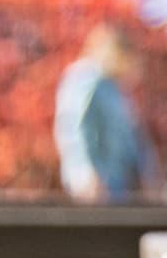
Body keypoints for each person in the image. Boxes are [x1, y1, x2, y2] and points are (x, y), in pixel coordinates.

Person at [53, 25, 156, 202]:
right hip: (97, 183)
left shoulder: (115, 89)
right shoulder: (87, 79)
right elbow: (73, 127)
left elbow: (130, 140)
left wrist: (146, 174)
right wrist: (84, 173)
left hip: (120, 183)